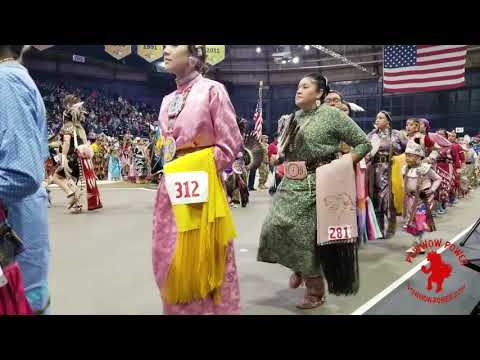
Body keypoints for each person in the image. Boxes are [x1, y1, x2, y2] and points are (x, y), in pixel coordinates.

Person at [257, 73, 371, 309]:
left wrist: (340, 164)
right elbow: (288, 150)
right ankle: (299, 266)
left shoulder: (332, 115)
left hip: (317, 184)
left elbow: (364, 143)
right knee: (273, 227)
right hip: (290, 182)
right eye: (297, 86)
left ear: (319, 93)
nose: (298, 90)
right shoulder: (294, 117)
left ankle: (315, 290)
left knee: (303, 237)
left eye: (305, 87)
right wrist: (278, 158)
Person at [152, 45, 243, 315]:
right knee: (169, 257)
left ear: (195, 55)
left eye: (173, 45)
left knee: (204, 262)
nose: (165, 49)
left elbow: (230, 144)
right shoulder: (167, 99)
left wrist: (193, 165)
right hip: (170, 190)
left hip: (201, 191)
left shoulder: (212, 91)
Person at [0, 45, 49, 314]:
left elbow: (21, 175)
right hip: (23, 219)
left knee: (23, 303)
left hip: (15, 223)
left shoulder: (4, 81)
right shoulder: (13, 77)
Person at [366, 111, 404, 239]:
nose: (377, 120)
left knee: (389, 198)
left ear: (388, 121)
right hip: (374, 170)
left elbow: (409, 148)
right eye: (376, 118)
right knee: (376, 198)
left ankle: (391, 227)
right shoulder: (371, 135)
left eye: (381, 118)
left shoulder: (397, 134)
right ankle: (379, 229)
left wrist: (400, 160)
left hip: (391, 170)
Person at [403, 140, 441, 255]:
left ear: (418, 157)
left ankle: (417, 244)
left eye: (410, 156)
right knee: (413, 220)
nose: (407, 158)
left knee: (420, 220)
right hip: (410, 199)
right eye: (406, 156)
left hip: (422, 199)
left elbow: (438, 179)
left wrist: (432, 190)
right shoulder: (406, 168)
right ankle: (418, 243)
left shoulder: (425, 168)